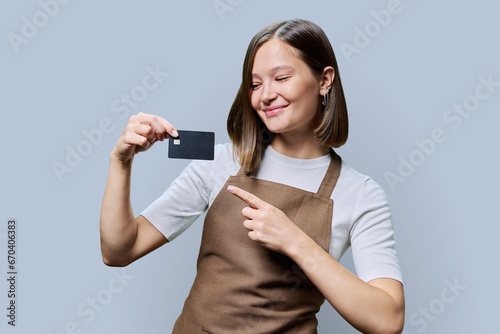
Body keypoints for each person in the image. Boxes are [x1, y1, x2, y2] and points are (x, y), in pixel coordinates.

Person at [100, 18, 405, 333]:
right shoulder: (220, 162)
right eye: (255, 84)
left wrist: (295, 241)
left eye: (281, 77)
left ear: (325, 80)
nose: (266, 95)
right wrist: (120, 162)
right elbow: (119, 251)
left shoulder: (359, 194)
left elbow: (388, 320)